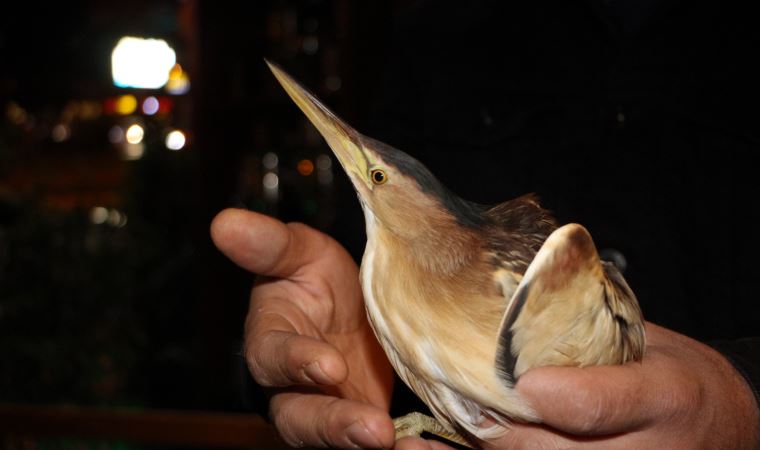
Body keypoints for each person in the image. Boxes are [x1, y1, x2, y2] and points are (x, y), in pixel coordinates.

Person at [212, 1, 760, 448]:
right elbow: (375, 239)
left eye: (373, 175)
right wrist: (308, 348)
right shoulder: (441, 27)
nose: (356, 162)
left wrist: (739, 402)